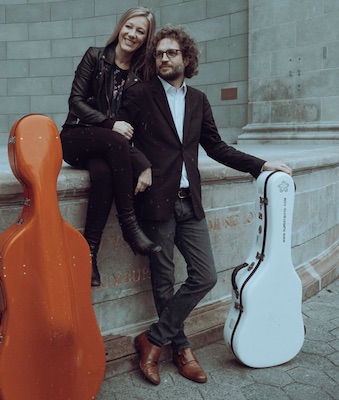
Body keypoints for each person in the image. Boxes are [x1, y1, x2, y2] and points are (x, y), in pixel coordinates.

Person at [116, 24, 292, 385]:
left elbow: (216, 147)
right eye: (160, 53)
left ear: (186, 57)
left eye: (172, 52)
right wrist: (142, 165)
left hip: (189, 202)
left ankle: (152, 339)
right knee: (163, 281)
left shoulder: (197, 100)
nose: (164, 58)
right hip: (155, 202)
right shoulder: (140, 94)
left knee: (205, 275)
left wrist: (259, 165)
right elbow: (122, 142)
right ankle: (181, 349)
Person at [60, 7, 161, 287]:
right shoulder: (94, 56)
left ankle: (89, 253)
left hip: (109, 149)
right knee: (116, 139)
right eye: (130, 27)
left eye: (140, 31)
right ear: (121, 26)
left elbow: (137, 129)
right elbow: (76, 102)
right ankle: (129, 225)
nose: (132, 34)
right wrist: (108, 122)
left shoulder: (141, 76)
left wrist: (145, 164)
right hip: (76, 137)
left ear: (145, 39)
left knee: (103, 175)